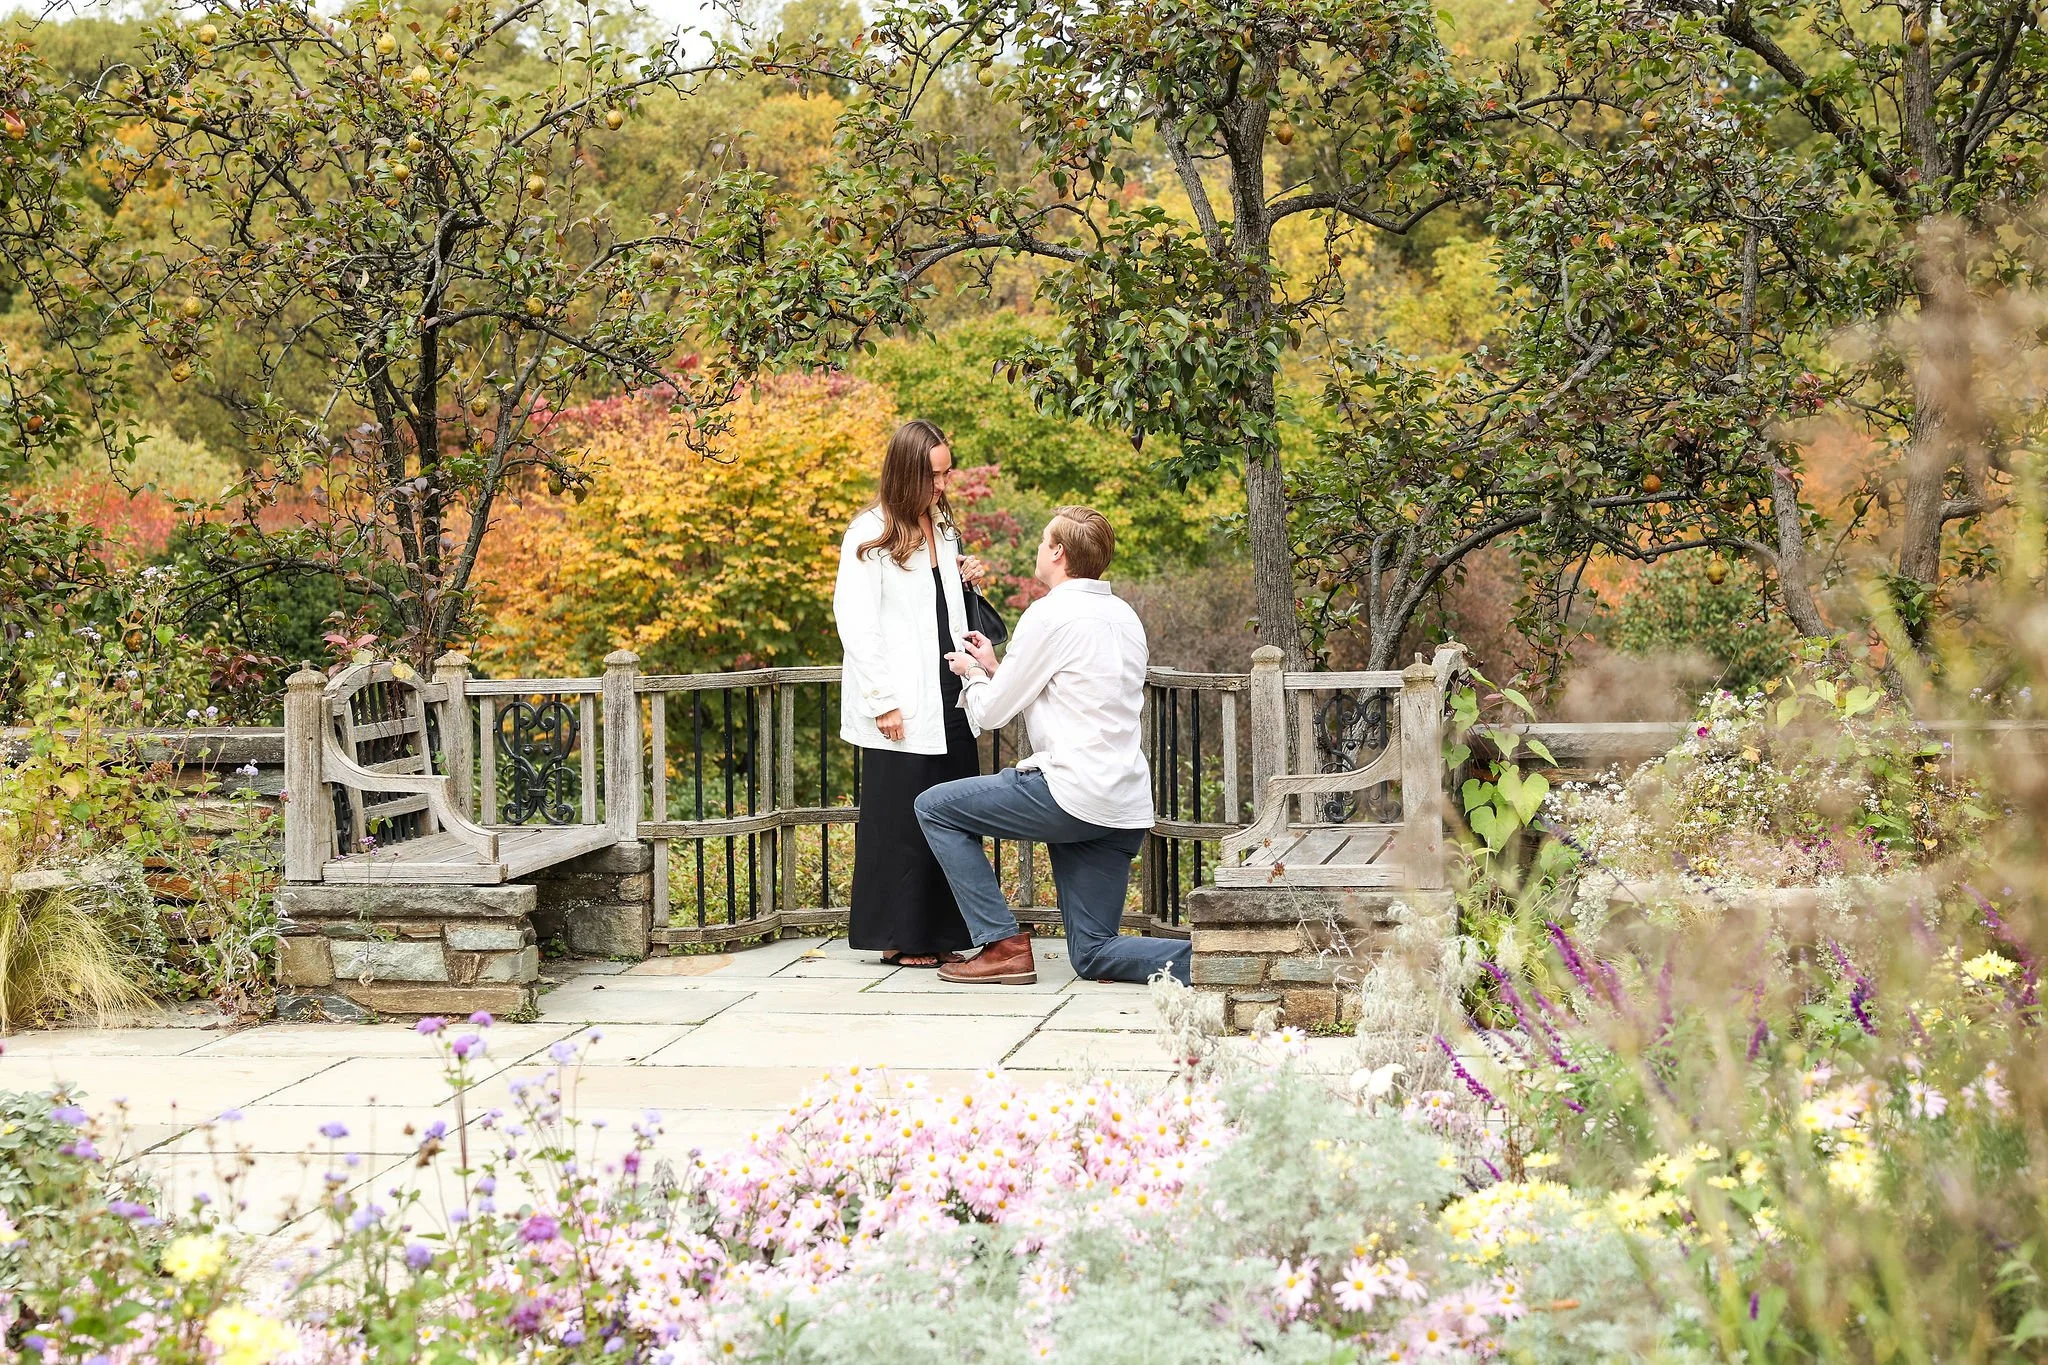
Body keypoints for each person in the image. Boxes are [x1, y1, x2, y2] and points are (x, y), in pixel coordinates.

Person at [914, 505, 1190, 986]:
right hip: (1121, 806)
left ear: (1058, 552)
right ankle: (1220, 954)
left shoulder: (1049, 615)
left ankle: (1001, 944)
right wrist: (999, 670)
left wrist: (974, 674)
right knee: (1094, 954)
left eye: (1043, 542)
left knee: (934, 807)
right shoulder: (1124, 616)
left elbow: (990, 713)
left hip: (1070, 794)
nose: (1038, 550)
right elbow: (1071, 692)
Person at [833, 419, 991, 967]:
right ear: (906, 473)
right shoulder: (868, 535)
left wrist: (966, 576)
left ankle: (947, 931)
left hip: (951, 692)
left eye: (947, 473)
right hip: (900, 700)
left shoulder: (943, 530)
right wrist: (883, 702)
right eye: (934, 475)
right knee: (899, 821)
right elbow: (857, 627)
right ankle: (902, 935)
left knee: (952, 813)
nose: (943, 485)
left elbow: (942, 611)